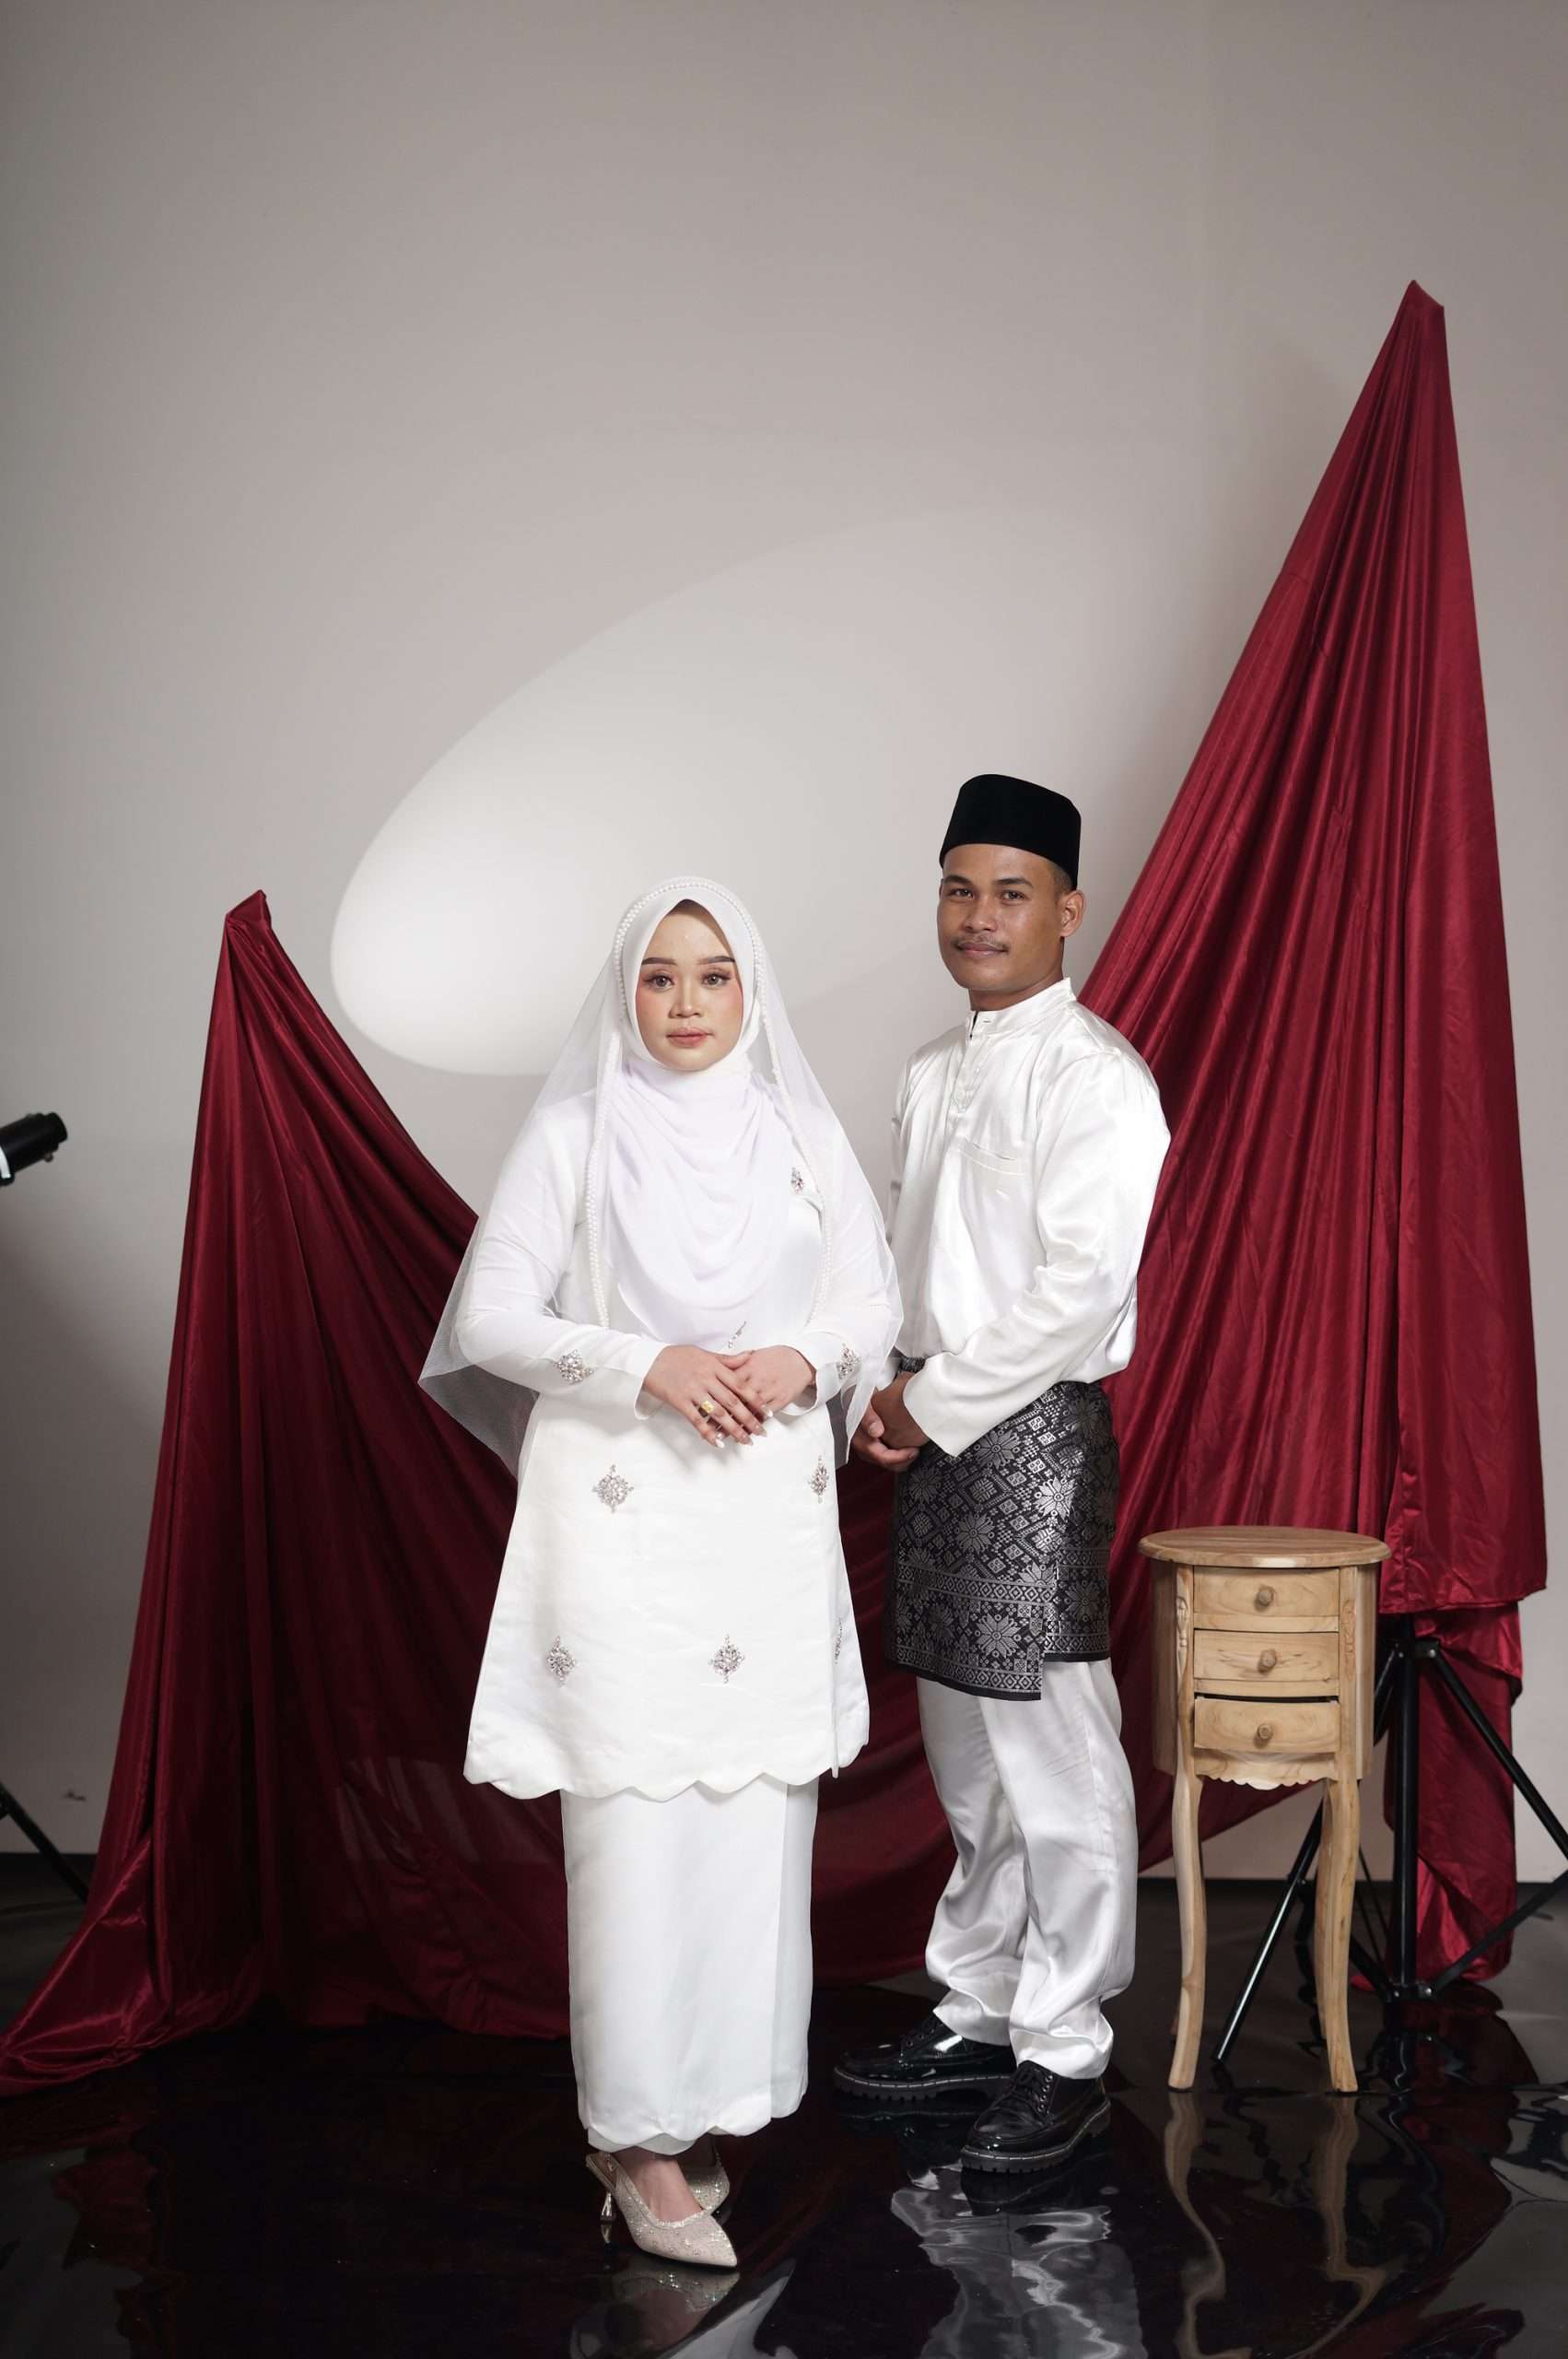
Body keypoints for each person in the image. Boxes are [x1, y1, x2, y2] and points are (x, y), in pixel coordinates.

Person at [421, 877, 900, 2265]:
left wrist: (803, 1355)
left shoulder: (798, 1130)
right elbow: (489, 1316)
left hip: (760, 1531)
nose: (687, 1003)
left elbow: (869, 1299)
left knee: (749, 1821)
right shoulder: (575, 1132)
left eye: (713, 974)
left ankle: (698, 2115)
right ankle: (634, 2145)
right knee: (632, 1828)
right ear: (625, 991)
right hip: (623, 1526)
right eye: (660, 975)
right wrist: (649, 1364)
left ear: (752, 989)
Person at [834, 774, 1168, 2174]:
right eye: (958, 890)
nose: (979, 917)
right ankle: (977, 2011)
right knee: (967, 1759)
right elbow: (898, 1265)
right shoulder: (930, 1069)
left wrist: (926, 1402)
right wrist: (879, 1390)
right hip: (931, 1427)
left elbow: (1079, 1296)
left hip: (1030, 1442)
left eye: (1011, 893)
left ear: (1067, 911)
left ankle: (1066, 2045)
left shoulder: (1097, 1078)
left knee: (1055, 1756)